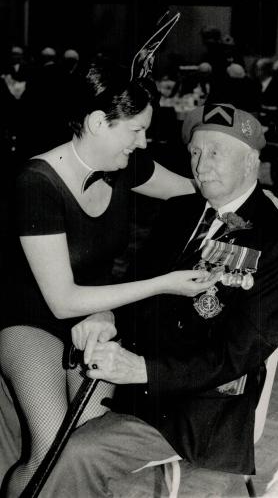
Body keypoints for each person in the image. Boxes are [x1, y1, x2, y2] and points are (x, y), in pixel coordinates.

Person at [39, 103, 278, 498]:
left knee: (74, 453)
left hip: (193, 406)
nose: (201, 164)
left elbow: (240, 353)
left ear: (251, 162)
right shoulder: (181, 210)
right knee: (32, 417)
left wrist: (143, 369)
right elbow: (137, 282)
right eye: (196, 152)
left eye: (216, 152)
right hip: (134, 374)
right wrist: (107, 313)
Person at [0, 61, 220, 497]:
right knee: (50, 452)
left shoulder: (125, 166)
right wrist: (163, 282)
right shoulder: (36, 184)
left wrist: (254, 198)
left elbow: (192, 190)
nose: (144, 141)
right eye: (136, 130)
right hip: (31, 319)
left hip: (94, 313)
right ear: (99, 122)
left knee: (86, 443)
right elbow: (61, 301)